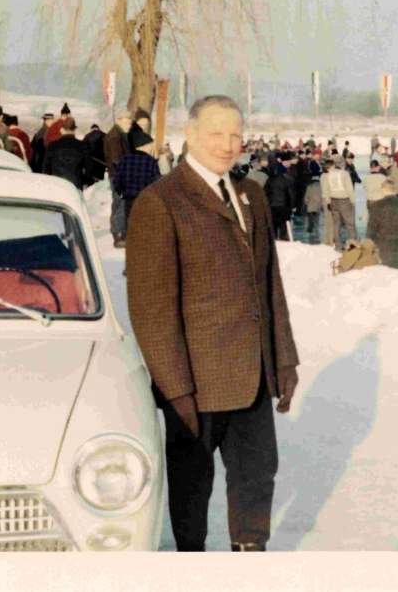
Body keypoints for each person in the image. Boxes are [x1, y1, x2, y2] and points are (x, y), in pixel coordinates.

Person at [126, 94, 299, 553]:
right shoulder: (160, 203)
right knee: (192, 493)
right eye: (216, 134)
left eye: (236, 135)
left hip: (253, 377)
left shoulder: (252, 195)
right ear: (192, 135)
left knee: (257, 477)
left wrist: (284, 360)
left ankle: (249, 554)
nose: (228, 145)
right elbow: (151, 309)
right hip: (195, 386)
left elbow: (270, 285)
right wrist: (175, 389)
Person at [112, 130, 162, 235]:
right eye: (150, 144)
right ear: (145, 145)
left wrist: (122, 195)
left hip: (129, 199)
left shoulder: (124, 159)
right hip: (145, 200)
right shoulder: (151, 161)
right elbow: (158, 183)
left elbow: (117, 182)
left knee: (130, 225)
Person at [365, 177, 398, 269]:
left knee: (380, 272)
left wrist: (368, 245)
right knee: (395, 272)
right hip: (397, 244)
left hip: (380, 244)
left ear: (383, 190)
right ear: (394, 190)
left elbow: (371, 228)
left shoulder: (376, 205)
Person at [103, 110, 134, 248]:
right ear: (118, 121)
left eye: (130, 122)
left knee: (121, 204)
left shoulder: (120, 134)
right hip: (119, 176)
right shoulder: (115, 136)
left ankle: (121, 234)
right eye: (126, 122)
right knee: (120, 204)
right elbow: (117, 159)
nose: (129, 125)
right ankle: (119, 236)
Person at [41, 116, 91, 189]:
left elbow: (45, 170)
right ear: (74, 130)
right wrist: (84, 181)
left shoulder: (52, 146)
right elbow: (88, 168)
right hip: (75, 186)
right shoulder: (83, 146)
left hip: (56, 185)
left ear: (62, 130)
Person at [325, 154, 358, 251]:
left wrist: (328, 202)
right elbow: (350, 189)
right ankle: (354, 246)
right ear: (343, 164)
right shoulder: (344, 174)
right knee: (350, 224)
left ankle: (338, 247)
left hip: (333, 201)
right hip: (344, 201)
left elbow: (326, 190)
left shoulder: (329, 174)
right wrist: (352, 201)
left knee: (336, 225)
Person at [264, 158, 296, 241]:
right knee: (283, 225)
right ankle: (283, 239)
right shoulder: (285, 180)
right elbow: (290, 194)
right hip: (283, 205)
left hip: (272, 205)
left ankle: (274, 240)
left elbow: (265, 193)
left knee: (274, 225)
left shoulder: (269, 180)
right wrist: (293, 205)